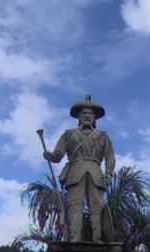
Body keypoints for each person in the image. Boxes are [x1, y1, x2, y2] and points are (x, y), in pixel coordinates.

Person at [43, 96, 115, 242]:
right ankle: (75, 238)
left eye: (90, 114)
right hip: (75, 171)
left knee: (97, 206)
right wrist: (50, 155)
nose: (87, 116)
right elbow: (58, 155)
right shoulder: (69, 134)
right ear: (79, 117)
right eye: (84, 113)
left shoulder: (102, 136)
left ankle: (97, 238)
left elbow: (110, 157)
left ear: (94, 117)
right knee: (75, 206)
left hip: (96, 172)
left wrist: (108, 173)